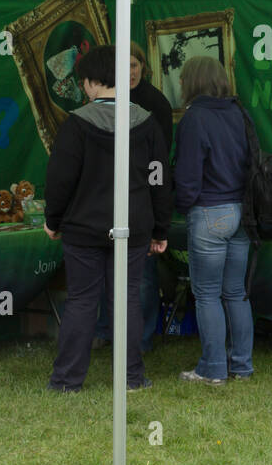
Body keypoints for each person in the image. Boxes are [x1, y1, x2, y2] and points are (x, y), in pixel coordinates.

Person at [44, 44, 171, 393]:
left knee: (82, 300)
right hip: (133, 227)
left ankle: (67, 381)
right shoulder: (147, 123)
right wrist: (161, 227)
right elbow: (159, 178)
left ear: (88, 83)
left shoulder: (76, 125)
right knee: (126, 298)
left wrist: (52, 220)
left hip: (83, 229)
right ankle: (131, 378)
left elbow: (59, 179)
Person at [172, 55, 251, 386]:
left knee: (206, 295)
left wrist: (180, 206)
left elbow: (188, 176)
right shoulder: (239, 113)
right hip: (242, 214)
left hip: (209, 213)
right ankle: (242, 367)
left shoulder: (194, 118)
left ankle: (213, 369)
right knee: (235, 293)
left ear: (192, 82)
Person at [93, 42, 174, 352]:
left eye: (134, 65)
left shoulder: (157, 104)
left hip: (142, 195)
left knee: (143, 273)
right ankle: (106, 330)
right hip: (106, 196)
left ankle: (140, 340)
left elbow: (160, 160)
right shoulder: (106, 101)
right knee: (105, 267)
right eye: (123, 66)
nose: (129, 72)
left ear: (143, 66)